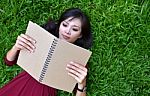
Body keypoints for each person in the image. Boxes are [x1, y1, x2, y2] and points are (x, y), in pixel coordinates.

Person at [0, 8, 92, 96]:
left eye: (74, 29)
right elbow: (8, 61)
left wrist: (82, 84)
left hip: (45, 92)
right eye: (65, 25)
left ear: (80, 35)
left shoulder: (79, 58)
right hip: (21, 84)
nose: (67, 31)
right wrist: (16, 47)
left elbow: (78, 90)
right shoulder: (41, 37)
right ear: (59, 25)